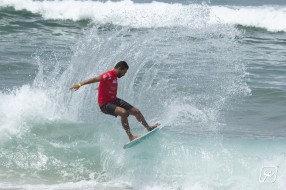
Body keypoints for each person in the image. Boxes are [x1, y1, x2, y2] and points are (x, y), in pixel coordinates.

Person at [70, 61, 159, 141]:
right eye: (124, 72)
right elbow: (94, 79)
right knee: (123, 113)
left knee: (136, 111)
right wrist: (79, 84)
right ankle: (131, 137)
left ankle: (149, 128)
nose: (124, 74)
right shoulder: (108, 75)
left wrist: (101, 88)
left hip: (113, 100)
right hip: (105, 105)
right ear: (119, 68)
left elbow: (106, 84)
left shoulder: (114, 77)